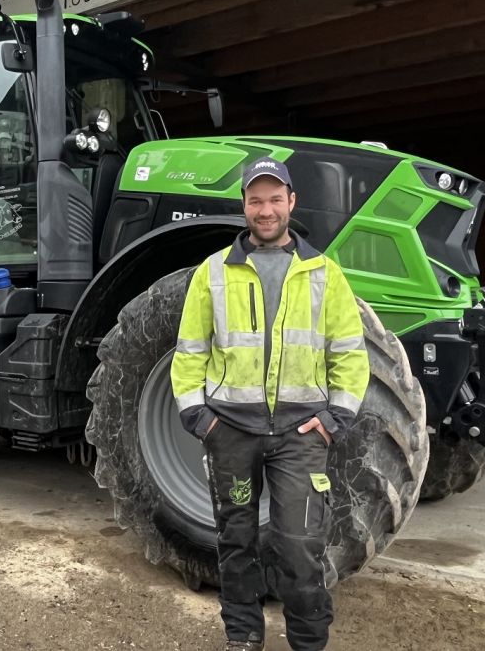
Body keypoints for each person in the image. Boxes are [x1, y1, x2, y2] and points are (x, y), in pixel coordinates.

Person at [170, 157, 370, 651]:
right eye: (255, 200)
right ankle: (243, 638)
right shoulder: (212, 273)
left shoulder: (325, 274)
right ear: (244, 206)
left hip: (300, 435)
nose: (265, 210)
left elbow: (349, 352)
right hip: (231, 434)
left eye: (274, 199)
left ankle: (307, 642)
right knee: (235, 542)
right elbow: (190, 348)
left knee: (300, 546)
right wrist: (199, 417)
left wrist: (334, 418)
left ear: (291, 203)